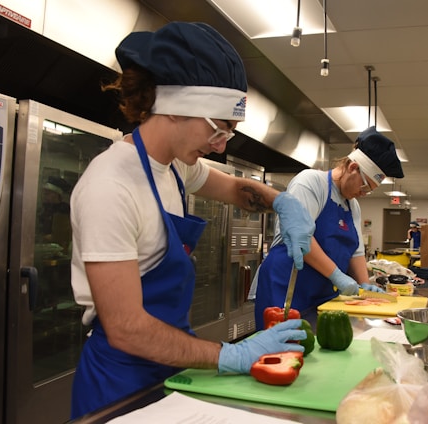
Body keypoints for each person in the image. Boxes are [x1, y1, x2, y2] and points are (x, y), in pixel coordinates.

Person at [68, 22, 316, 418]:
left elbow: (237, 189)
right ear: (175, 106)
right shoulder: (109, 185)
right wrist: (232, 354)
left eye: (230, 134)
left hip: (172, 367)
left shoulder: (175, 169)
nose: (220, 146)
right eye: (219, 129)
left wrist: (285, 203)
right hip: (119, 384)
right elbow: (127, 327)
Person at [252, 126, 404, 329]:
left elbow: (356, 252)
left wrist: (364, 284)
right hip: (286, 288)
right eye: (365, 186)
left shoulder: (353, 205)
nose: (364, 193)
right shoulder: (311, 183)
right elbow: (302, 237)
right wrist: (337, 276)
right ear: (352, 168)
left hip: (322, 294)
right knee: (283, 353)